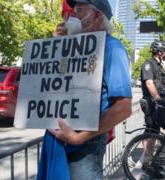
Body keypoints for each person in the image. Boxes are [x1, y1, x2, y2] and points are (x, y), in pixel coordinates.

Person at [39, 0, 132, 179]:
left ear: (96, 16)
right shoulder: (73, 48)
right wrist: (57, 47)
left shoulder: (113, 49)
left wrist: (79, 137)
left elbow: (123, 108)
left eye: (79, 9)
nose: (72, 15)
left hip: (86, 145)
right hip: (59, 140)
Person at [134, 40, 165, 178]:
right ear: (159, 52)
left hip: (157, 101)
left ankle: (148, 157)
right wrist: (157, 98)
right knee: (151, 130)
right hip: (151, 102)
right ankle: (147, 160)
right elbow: (149, 83)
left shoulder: (160, 66)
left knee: (154, 130)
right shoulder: (148, 64)